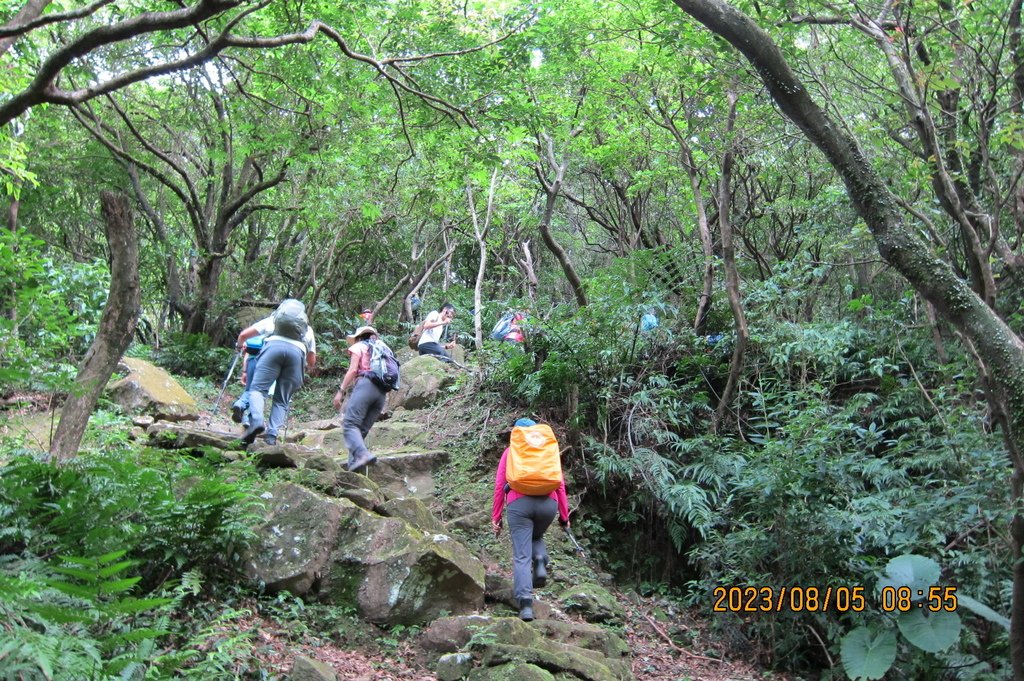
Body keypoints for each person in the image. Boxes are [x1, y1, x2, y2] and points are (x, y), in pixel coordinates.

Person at [492, 418, 570, 622]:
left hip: (519, 505)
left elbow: (501, 484)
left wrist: (496, 517)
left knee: (521, 555)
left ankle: (526, 604)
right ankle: (541, 560)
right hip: (548, 504)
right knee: (536, 536)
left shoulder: (511, 452)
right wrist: (564, 516)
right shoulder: (546, 451)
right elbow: (560, 484)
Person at [235, 299, 316, 446]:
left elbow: (243, 335)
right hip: (296, 355)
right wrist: (307, 366)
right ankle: (271, 436)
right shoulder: (306, 329)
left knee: (257, 390)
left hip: (272, 349)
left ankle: (257, 421)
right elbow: (312, 360)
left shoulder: (272, 320)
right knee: (281, 399)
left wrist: (239, 346)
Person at [334, 325, 386, 472]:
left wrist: (341, 391)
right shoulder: (383, 347)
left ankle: (362, 455)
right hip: (382, 393)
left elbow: (352, 370)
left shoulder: (359, 346)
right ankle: (353, 468)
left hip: (366, 386)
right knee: (360, 431)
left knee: (350, 424)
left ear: (358, 337)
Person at [231, 334, 265, 427]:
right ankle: (250, 419)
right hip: (265, 365)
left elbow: (247, 354)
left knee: (249, 389)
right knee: (259, 393)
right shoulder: (274, 333)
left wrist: (244, 371)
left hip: (251, 362)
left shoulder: (256, 333)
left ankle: (240, 404)